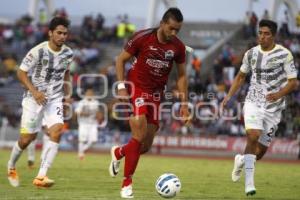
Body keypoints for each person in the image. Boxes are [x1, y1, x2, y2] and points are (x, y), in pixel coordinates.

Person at [109, 7, 190, 198]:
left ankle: (119, 152)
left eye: (177, 30)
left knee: (144, 146)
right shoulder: (142, 37)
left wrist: (185, 104)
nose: (174, 33)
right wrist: (121, 86)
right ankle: (127, 183)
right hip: (136, 87)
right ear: (162, 23)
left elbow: (182, 76)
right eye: (171, 28)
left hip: (156, 94)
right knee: (138, 135)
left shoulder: (178, 47)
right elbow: (121, 60)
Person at [221, 19, 297, 196]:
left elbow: (292, 82)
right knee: (252, 135)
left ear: (274, 35)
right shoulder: (251, 54)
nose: (262, 37)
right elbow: (240, 77)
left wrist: (278, 95)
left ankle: (241, 160)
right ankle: (249, 184)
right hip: (253, 101)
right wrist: (229, 96)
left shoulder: (285, 55)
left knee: (259, 153)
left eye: (266, 34)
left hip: (274, 107)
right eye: (260, 33)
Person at [7, 17, 73, 188]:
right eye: (59, 33)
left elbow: (66, 73)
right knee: (27, 139)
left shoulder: (69, 53)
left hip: (55, 99)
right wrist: (34, 91)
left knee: (57, 131)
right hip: (33, 99)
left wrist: (68, 93)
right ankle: (11, 165)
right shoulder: (38, 51)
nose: (62, 36)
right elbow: (21, 73)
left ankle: (41, 176)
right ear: (50, 33)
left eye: (65, 33)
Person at [75, 88, 101, 160]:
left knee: (93, 140)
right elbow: (77, 112)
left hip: (93, 124)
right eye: (88, 93)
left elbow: (98, 111)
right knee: (82, 140)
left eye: (91, 93)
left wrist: (99, 116)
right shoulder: (81, 102)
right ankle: (80, 155)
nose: (89, 95)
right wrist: (84, 113)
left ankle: (81, 151)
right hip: (83, 123)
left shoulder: (96, 102)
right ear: (85, 94)